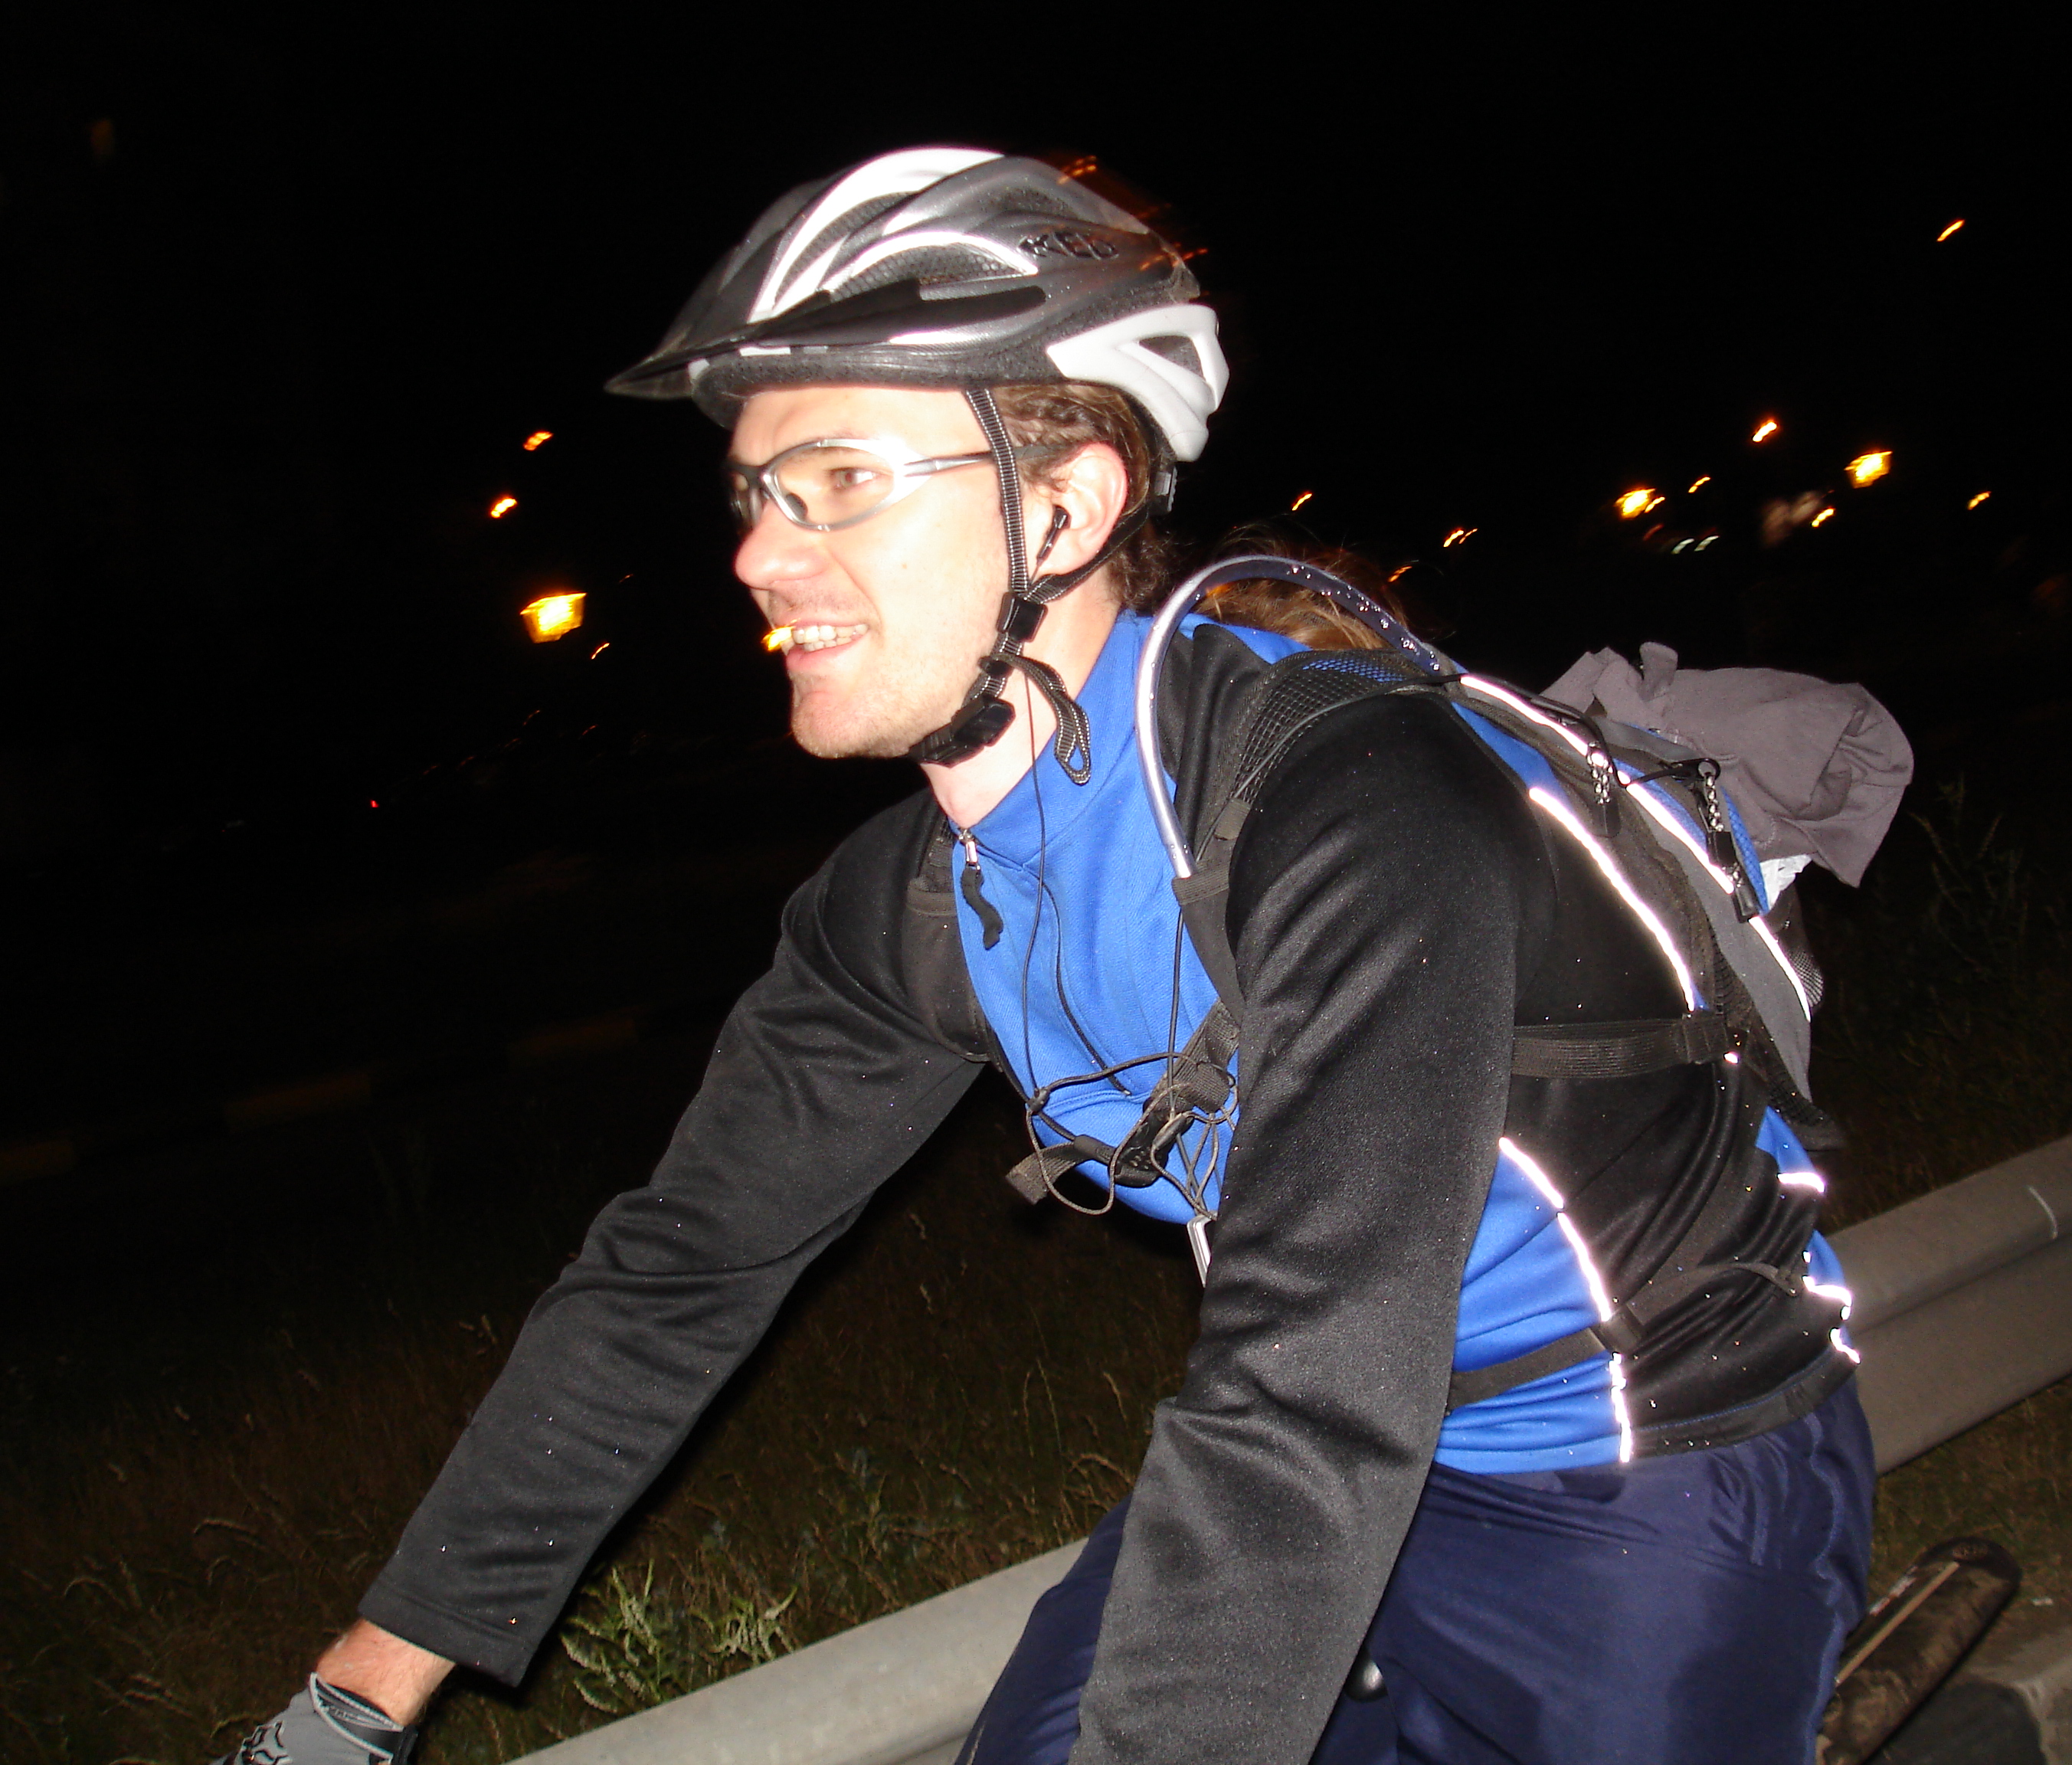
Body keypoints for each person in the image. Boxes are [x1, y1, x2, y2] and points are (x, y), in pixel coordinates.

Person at [218, 147, 1877, 1765]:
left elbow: (1308, 1387)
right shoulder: (911, 906)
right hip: (1323, 1443)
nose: (759, 555)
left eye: (840, 481)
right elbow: (680, 1274)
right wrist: (353, 1701)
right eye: (753, 495)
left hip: (1651, 1476)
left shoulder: (1355, 806)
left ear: (1066, 507)